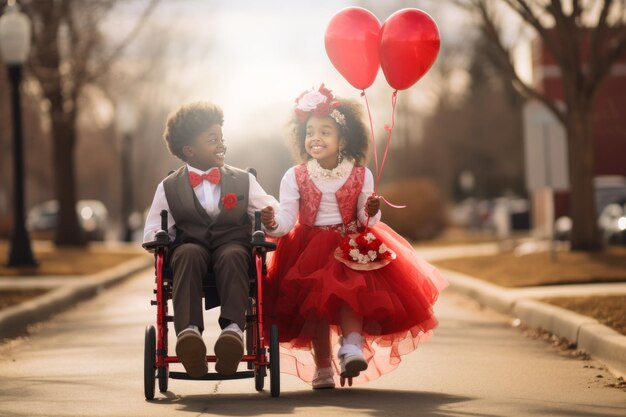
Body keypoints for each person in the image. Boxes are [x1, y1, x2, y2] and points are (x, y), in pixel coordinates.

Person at [260, 85, 447, 389]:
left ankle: (351, 347)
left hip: (351, 243)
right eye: (310, 132)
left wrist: (371, 209)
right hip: (308, 247)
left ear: (343, 139)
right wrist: (271, 221)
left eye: (325, 131)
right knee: (314, 306)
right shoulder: (294, 176)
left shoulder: (361, 174)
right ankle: (323, 367)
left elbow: (365, 218)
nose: (315, 138)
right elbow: (285, 220)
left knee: (352, 294)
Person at [143, 101, 278, 377]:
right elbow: (152, 229)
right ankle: (189, 334)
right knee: (187, 254)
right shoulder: (168, 187)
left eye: (222, 139)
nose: (221, 145)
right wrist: (159, 237)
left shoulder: (243, 180)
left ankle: (232, 333)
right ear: (189, 150)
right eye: (212, 140)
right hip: (190, 248)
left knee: (233, 255)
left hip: (232, 247)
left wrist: (269, 216)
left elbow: (271, 210)